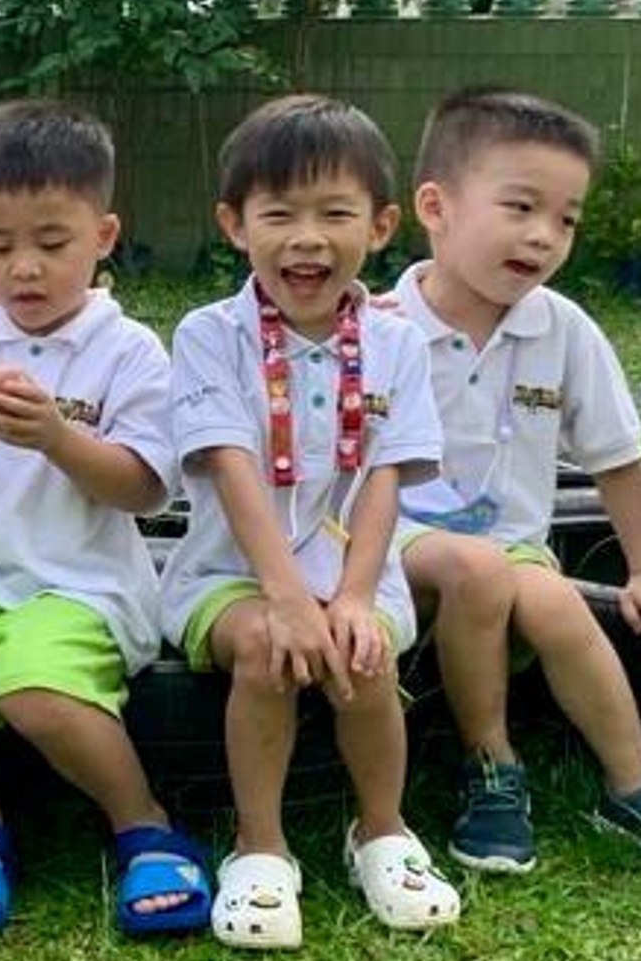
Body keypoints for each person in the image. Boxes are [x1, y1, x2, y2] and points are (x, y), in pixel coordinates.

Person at [384, 88, 641, 888]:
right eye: (520, 206)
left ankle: (636, 790)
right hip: (387, 549)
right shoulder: (380, 327)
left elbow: (620, 458)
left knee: (549, 598)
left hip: (509, 550)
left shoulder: (563, 328)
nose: (544, 235)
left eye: (567, 219)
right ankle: (491, 762)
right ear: (435, 207)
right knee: (480, 569)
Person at [0, 101, 208, 939]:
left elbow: (142, 488)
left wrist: (58, 436)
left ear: (103, 234)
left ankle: (143, 822)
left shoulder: (129, 350)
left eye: (52, 244)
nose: (24, 268)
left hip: (79, 579)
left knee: (34, 687)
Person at [157, 95, 458, 949]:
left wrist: (357, 593)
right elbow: (232, 466)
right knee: (266, 646)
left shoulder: (397, 343)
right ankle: (260, 845)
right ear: (232, 223)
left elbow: (385, 475)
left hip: (356, 569)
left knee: (361, 650)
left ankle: (382, 829)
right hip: (228, 577)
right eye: (278, 213)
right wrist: (287, 597)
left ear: (383, 222)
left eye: (336, 213)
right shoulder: (210, 335)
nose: (307, 238)